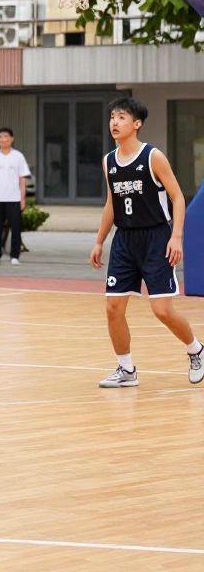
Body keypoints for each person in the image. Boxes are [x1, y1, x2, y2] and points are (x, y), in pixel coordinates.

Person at [91, 97, 203, 388]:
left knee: (162, 310)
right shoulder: (108, 162)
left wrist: (176, 236)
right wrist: (99, 240)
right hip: (125, 240)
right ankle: (126, 370)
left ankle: (196, 350)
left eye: (122, 118)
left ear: (137, 124)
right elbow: (111, 204)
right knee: (113, 308)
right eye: (112, 117)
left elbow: (178, 197)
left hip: (156, 237)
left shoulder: (153, 157)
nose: (114, 122)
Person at [0, 127, 31, 266]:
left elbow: (22, 179)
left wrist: (23, 199)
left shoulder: (18, 156)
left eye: (6, 137)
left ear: (12, 139)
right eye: (0, 137)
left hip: (14, 199)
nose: (3, 139)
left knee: (16, 228)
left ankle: (15, 256)